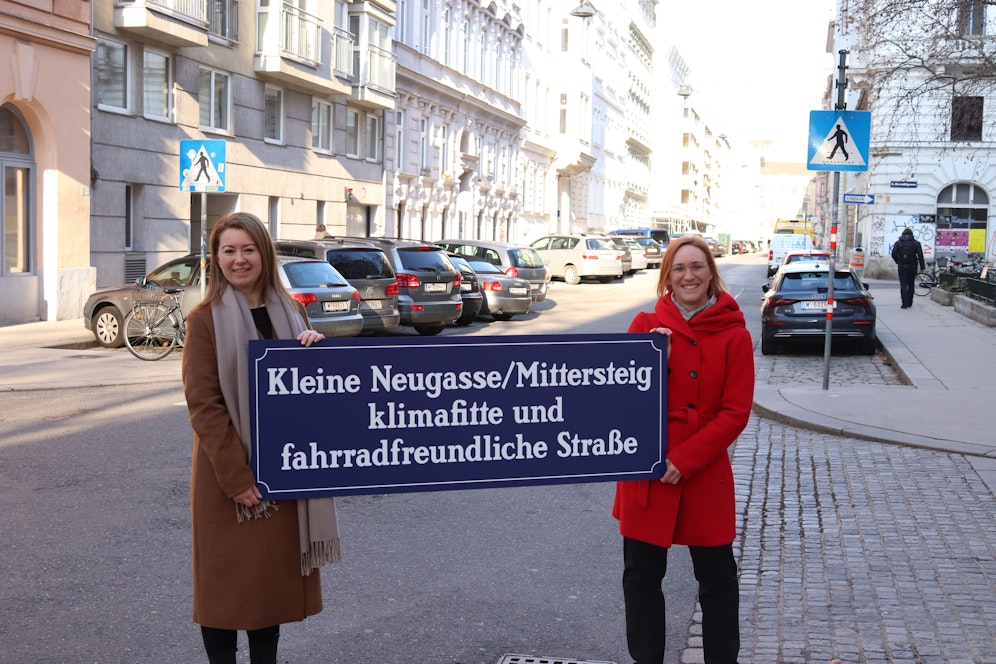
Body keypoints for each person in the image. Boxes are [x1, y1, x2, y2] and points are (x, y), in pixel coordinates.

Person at [182, 212, 341, 664]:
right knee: (225, 590)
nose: (239, 259)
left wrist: (314, 349)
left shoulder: (293, 310)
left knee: (267, 590)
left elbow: (311, 393)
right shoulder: (204, 320)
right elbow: (205, 407)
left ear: (264, 254)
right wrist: (236, 479)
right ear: (216, 258)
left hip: (280, 473)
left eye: (248, 249)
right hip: (227, 478)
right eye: (228, 250)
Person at [613, 235, 754, 664]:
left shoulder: (735, 335)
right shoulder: (644, 326)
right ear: (667, 277)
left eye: (697, 267)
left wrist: (686, 460)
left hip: (702, 471)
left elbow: (735, 413)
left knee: (717, 578)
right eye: (679, 268)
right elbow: (618, 400)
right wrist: (655, 361)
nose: (688, 275)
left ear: (711, 273)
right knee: (641, 576)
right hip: (648, 469)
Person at [891, 228, 925, 309]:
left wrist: (898, 261)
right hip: (912, 266)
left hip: (902, 266)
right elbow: (920, 255)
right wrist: (922, 267)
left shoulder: (898, 243)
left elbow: (893, 254)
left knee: (903, 284)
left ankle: (904, 303)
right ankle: (910, 302)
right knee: (911, 284)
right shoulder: (916, 243)